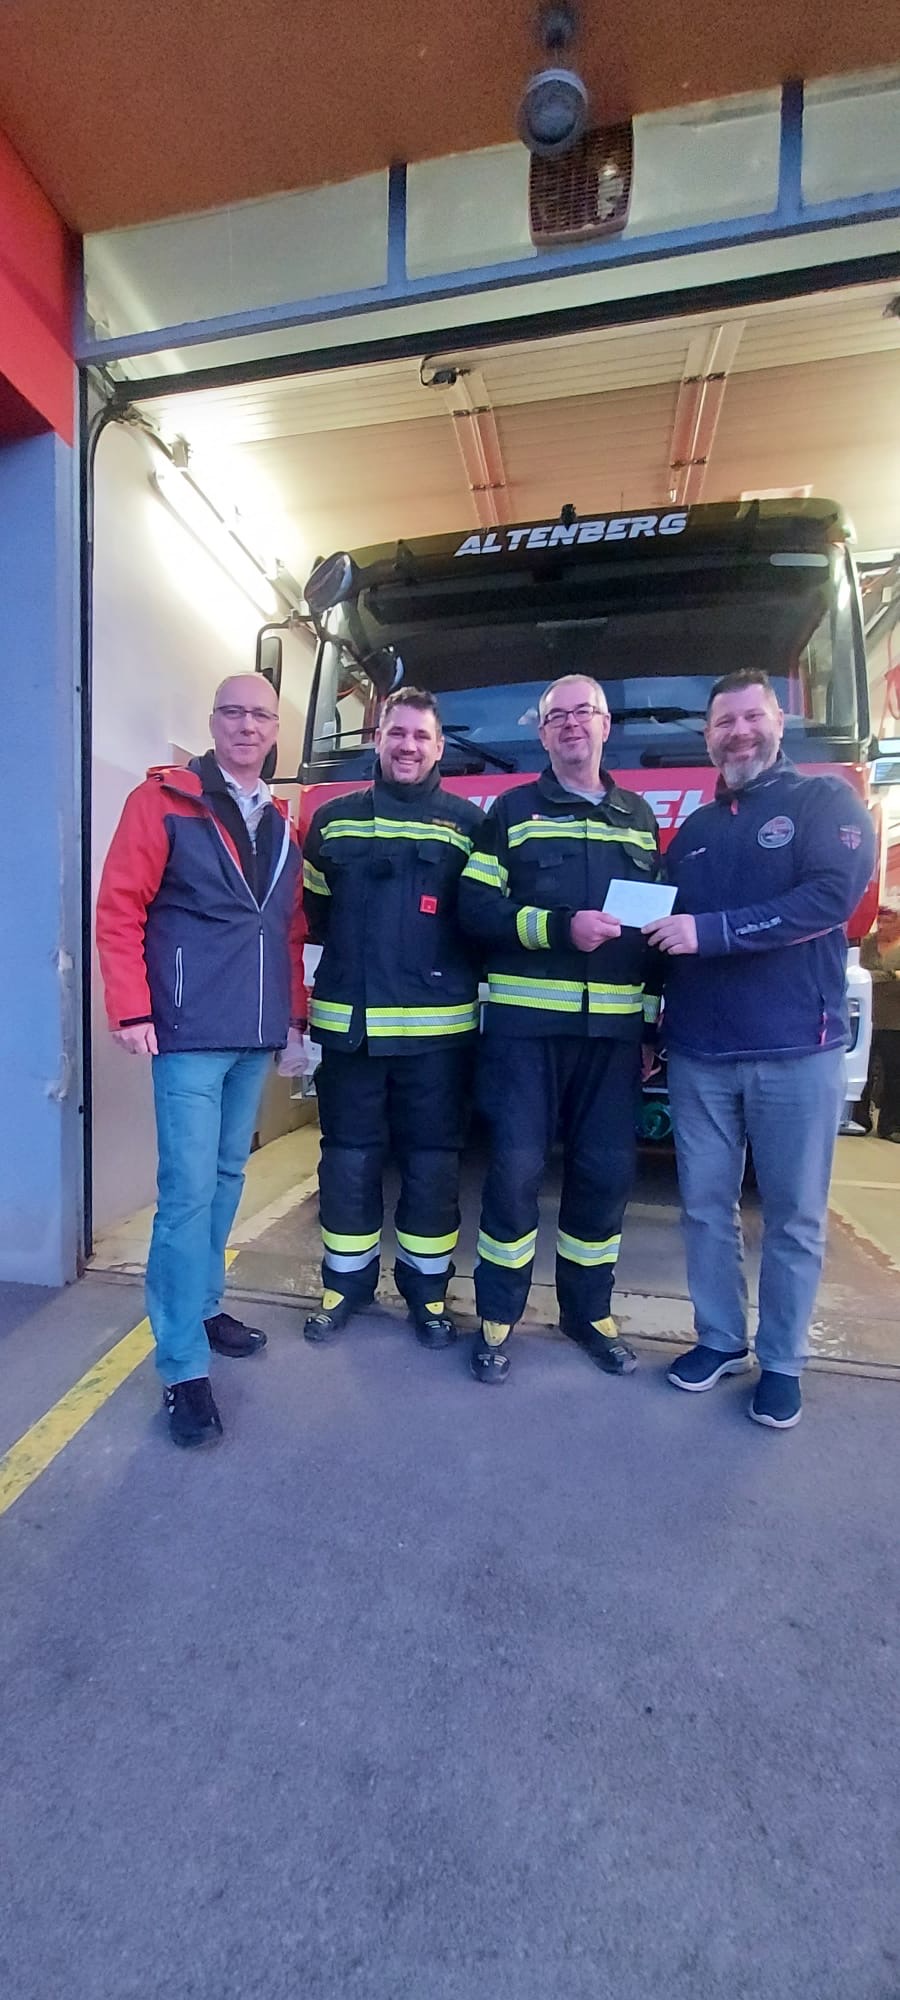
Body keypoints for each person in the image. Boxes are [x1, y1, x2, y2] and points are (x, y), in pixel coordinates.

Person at [645, 668, 876, 1430]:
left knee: (793, 1216)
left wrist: (710, 932)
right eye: (724, 723)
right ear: (707, 736)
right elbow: (662, 935)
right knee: (705, 1210)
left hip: (795, 1049)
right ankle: (719, 1339)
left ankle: (781, 1362)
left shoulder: (826, 804)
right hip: (700, 1055)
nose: (738, 733)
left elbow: (828, 901)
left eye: (752, 718)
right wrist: (650, 1028)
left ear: (779, 722)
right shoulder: (695, 834)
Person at [96, 675, 308, 1448]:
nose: (247, 726)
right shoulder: (163, 802)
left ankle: (205, 1305)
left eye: (261, 715)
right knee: (186, 1196)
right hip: (186, 1032)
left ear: (275, 729)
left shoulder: (281, 824)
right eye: (233, 712)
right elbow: (119, 906)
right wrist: (131, 1007)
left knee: (225, 1179)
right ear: (213, 722)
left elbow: (287, 930)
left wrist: (294, 1020)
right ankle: (182, 1366)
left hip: (253, 1034)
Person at [457, 673, 662, 1384]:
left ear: (606, 726)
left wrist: (650, 1027)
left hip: (612, 1041)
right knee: (515, 1175)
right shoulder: (511, 811)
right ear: (542, 734)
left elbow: (653, 933)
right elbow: (475, 909)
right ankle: (496, 1317)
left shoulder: (639, 818)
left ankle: (588, 1314)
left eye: (585, 712)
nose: (572, 724)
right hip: (525, 1037)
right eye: (558, 716)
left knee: (604, 1176)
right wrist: (556, 928)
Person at [301, 688, 483, 1347]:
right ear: (378, 739)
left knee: (432, 1167)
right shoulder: (332, 821)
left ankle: (427, 1295)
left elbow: (479, 922)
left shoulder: (467, 825)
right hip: (351, 1033)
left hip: (437, 1041)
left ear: (440, 747)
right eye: (397, 733)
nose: (408, 746)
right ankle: (343, 1287)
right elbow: (314, 914)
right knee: (347, 1162)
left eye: (421, 736)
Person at [858, 900, 900, 1141]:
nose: (882, 926)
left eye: (888, 921)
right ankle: (858, 1119)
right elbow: (859, 973)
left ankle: (891, 1125)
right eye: (880, 920)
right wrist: (891, 975)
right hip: (867, 1017)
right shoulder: (867, 943)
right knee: (862, 1071)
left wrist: (873, 977)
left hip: (896, 1021)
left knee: (895, 1073)